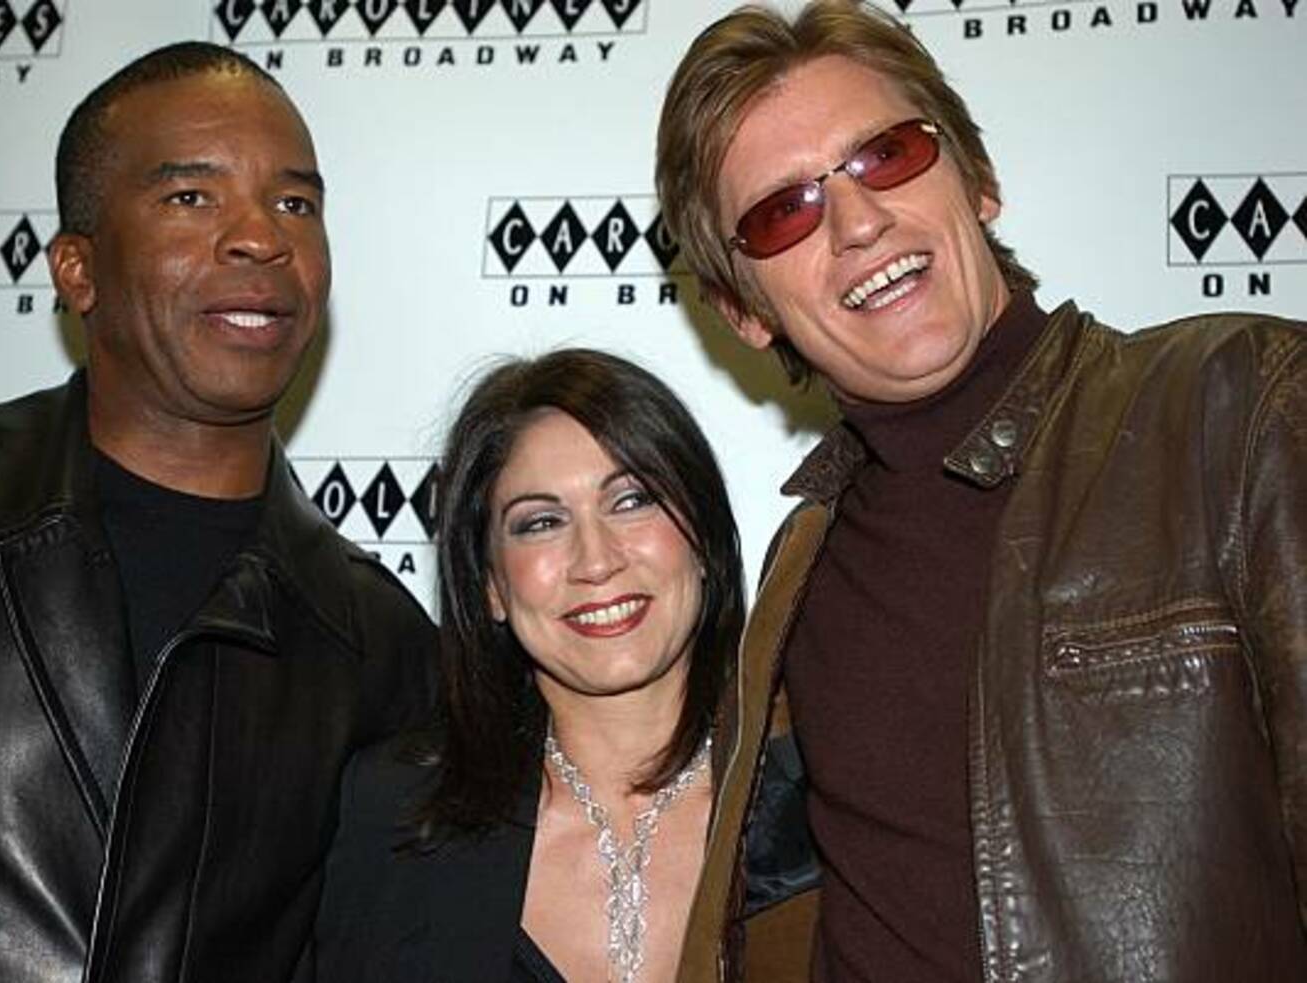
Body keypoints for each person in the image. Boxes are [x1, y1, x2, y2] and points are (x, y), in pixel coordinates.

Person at [654, 2, 1307, 981]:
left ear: (980, 178)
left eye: (889, 154)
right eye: (783, 210)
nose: (859, 221)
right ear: (743, 309)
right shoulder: (803, 566)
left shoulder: (1236, 403)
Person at [0, 42, 435, 982]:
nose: (261, 236)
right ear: (77, 270)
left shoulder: (383, 648)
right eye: (192, 196)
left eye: (296, 202)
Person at [315, 349, 810, 982]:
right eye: (541, 522)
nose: (596, 560)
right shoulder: (394, 815)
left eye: (632, 500)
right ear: (491, 584)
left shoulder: (821, 803)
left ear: (704, 540)